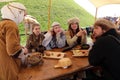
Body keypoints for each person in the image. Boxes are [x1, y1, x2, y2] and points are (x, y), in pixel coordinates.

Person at [0, 2, 28, 80]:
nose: (23, 18)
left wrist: (19, 46)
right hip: (7, 61)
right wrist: (23, 51)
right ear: (16, 13)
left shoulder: (2, 23)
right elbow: (12, 50)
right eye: (23, 15)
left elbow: (5, 42)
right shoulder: (11, 25)